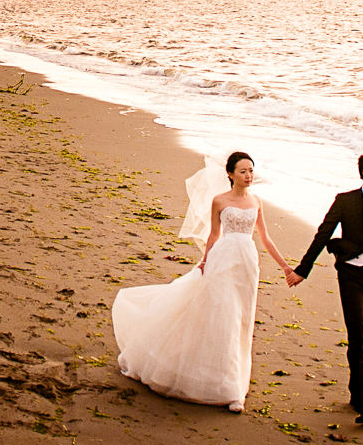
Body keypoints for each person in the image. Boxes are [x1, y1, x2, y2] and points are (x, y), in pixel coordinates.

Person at [111, 151, 296, 413]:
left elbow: (265, 237)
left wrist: (285, 266)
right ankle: (231, 391)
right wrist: (206, 261)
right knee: (224, 317)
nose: (248, 175)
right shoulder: (219, 201)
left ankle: (234, 382)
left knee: (241, 320)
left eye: (251, 171)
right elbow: (214, 235)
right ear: (230, 174)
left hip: (247, 264)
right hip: (223, 261)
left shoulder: (256, 202)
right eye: (243, 171)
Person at [289, 148, 363, 425]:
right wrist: (303, 269)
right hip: (351, 274)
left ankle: (357, 390)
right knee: (358, 337)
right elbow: (323, 234)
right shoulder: (346, 201)